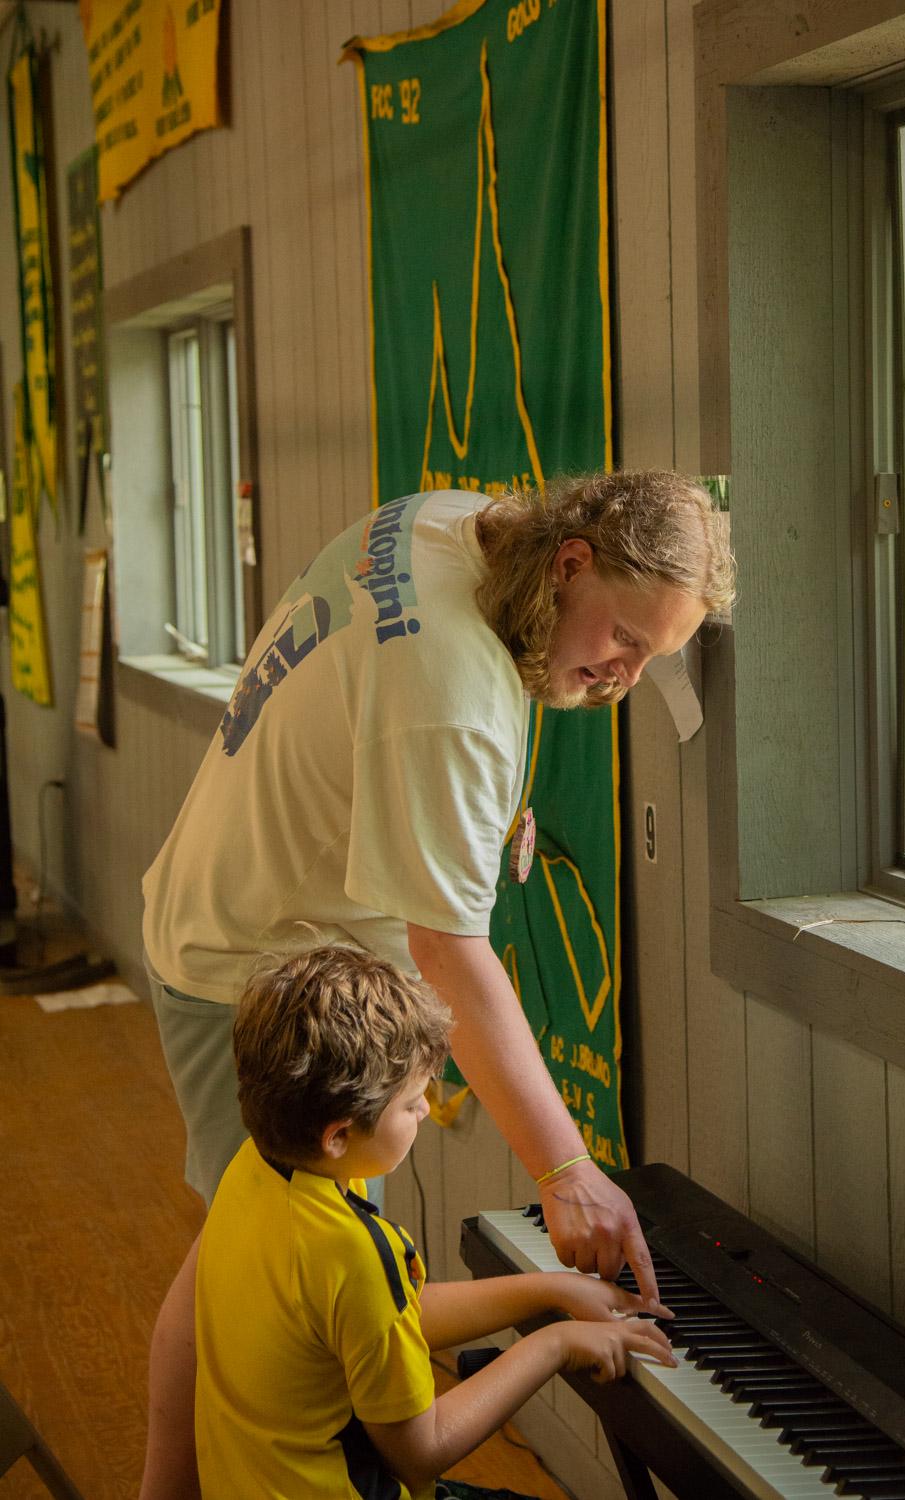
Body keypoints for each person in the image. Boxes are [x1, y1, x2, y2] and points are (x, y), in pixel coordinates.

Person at [140, 470, 735, 1500]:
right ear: (570, 562)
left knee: (255, 1268)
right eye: (624, 639)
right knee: (247, 1278)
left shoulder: (458, 523)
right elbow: (449, 951)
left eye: (652, 658)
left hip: (244, 911)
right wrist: (565, 1170)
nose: (625, 677)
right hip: (254, 973)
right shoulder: (450, 705)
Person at [195, 944, 676, 1499]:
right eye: (410, 1103)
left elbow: (381, 1321)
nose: (425, 1110)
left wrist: (553, 1289)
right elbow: (421, 1453)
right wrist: (555, 1344)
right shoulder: (354, 1250)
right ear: (339, 1136)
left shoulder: (258, 1167)